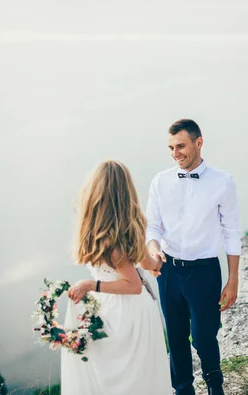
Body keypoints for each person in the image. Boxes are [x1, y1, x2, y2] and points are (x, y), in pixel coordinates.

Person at [146, 119, 242, 395]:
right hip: (169, 271)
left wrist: (233, 279)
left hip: (204, 272)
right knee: (175, 338)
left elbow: (232, 231)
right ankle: (183, 391)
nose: (175, 153)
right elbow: (152, 226)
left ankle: (215, 387)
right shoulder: (160, 182)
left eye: (181, 146)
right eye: (171, 148)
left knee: (203, 336)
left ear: (199, 142)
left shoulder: (223, 182)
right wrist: (153, 249)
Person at [61, 160, 171, 395]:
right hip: (131, 312)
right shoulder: (123, 231)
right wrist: (157, 261)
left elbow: (138, 268)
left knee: (112, 376)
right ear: (125, 191)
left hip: (111, 307)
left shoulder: (92, 232)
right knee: (138, 377)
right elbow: (134, 284)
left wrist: (155, 261)